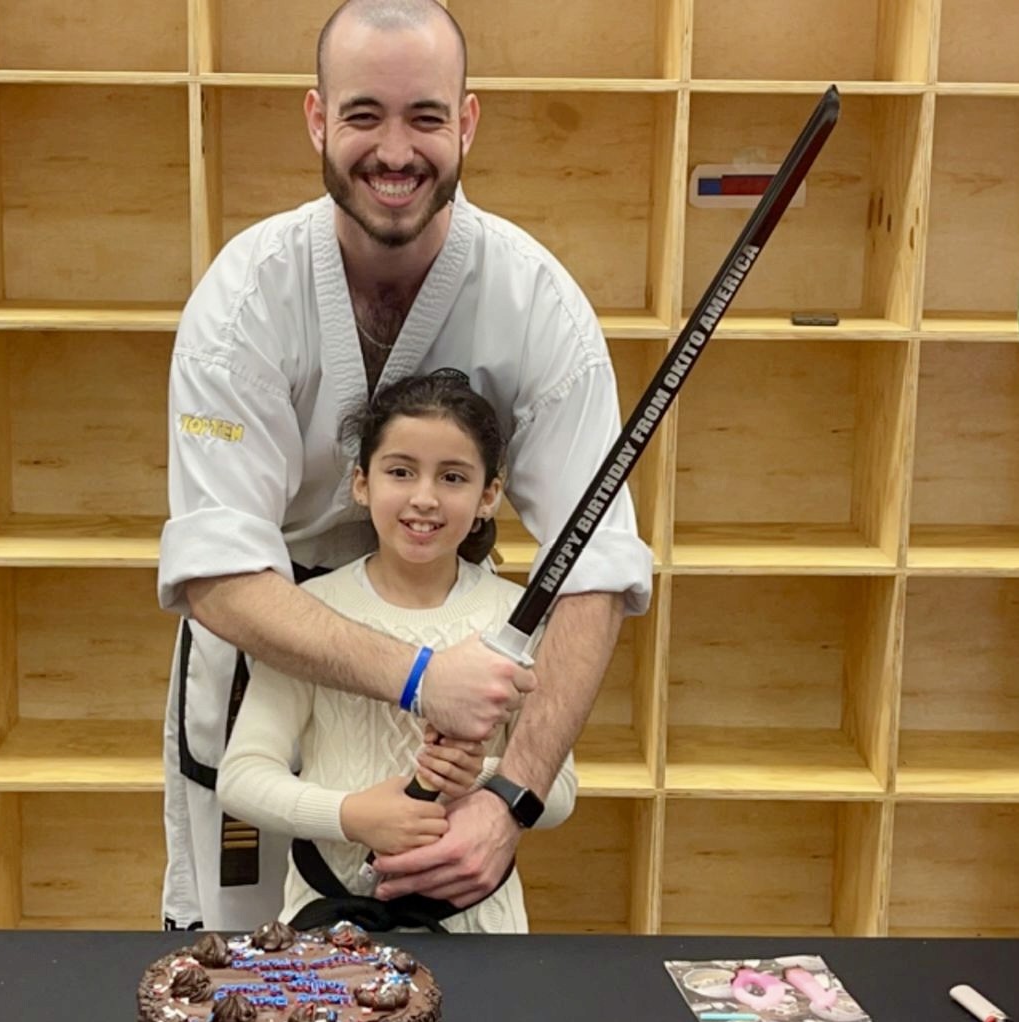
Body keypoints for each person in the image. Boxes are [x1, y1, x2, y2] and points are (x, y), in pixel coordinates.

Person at [155, 0, 653, 932]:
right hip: (279, 653)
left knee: (433, 983)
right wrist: (423, 675)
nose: (395, 150)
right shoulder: (243, 303)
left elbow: (596, 565)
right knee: (242, 961)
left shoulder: (536, 305)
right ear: (316, 118)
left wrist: (512, 796)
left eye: (425, 116)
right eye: (362, 116)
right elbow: (217, 575)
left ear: (466, 121)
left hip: (457, 634)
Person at [216, 369, 580, 933]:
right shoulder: (308, 612)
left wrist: (480, 778)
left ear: (489, 496)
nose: (424, 498)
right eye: (401, 471)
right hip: (327, 931)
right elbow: (240, 778)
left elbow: (558, 794)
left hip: (477, 929)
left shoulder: (519, 620)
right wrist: (352, 815)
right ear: (362, 483)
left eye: (453, 476)